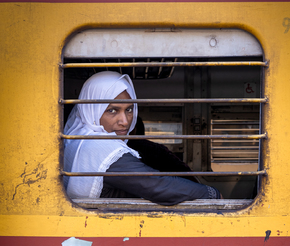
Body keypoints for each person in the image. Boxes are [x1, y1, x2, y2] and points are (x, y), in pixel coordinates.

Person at [64, 71, 221, 205]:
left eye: (129, 109)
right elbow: (157, 186)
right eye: (112, 111)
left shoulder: (78, 139)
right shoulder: (100, 148)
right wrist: (212, 194)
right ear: (91, 110)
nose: (125, 121)